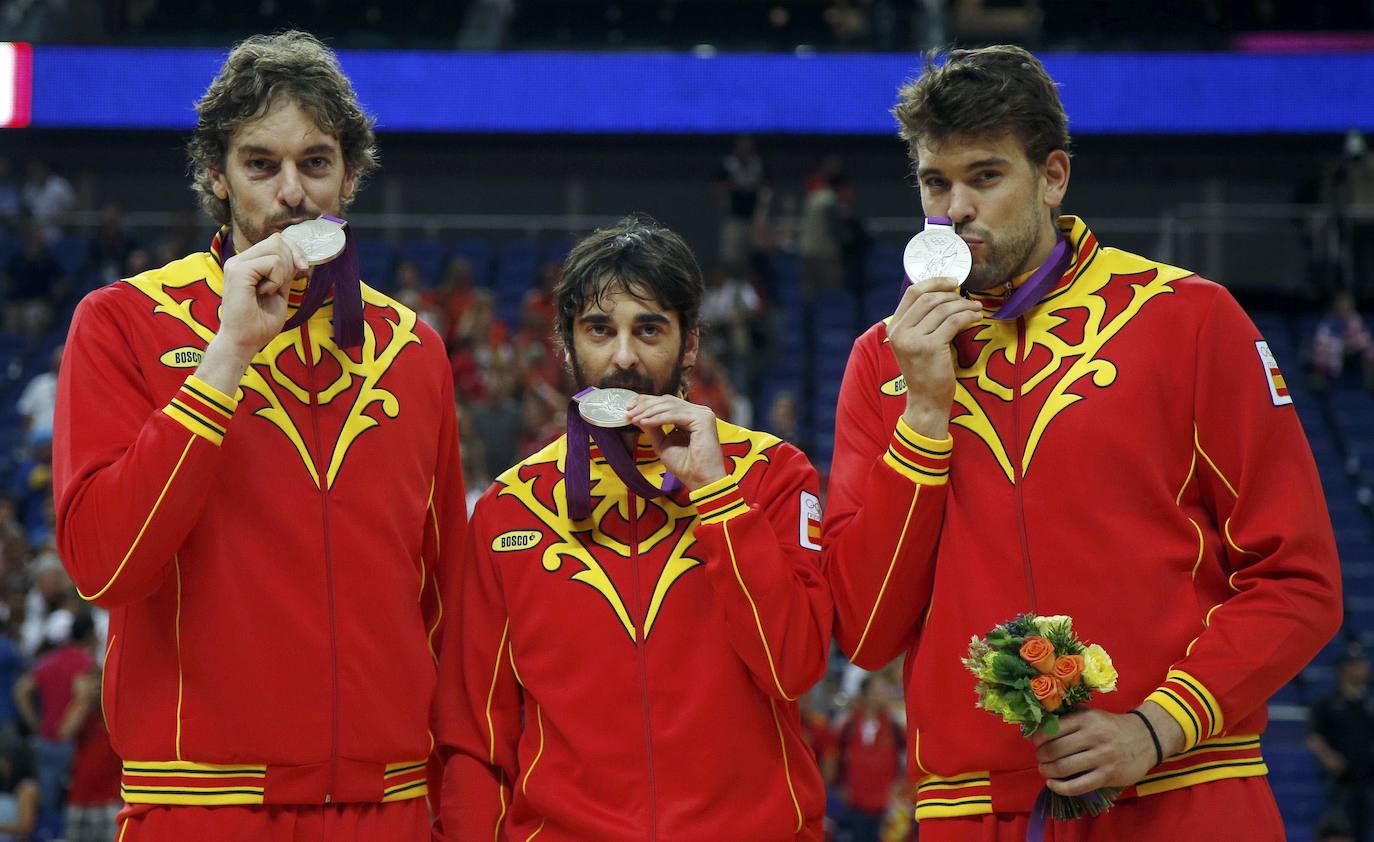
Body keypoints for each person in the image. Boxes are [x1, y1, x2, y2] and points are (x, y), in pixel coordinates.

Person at [823, 45, 1342, 840]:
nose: (954, 208)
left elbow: (1298, 578)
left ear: (1053, 176)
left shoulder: (1188, 319)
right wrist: (924, 415)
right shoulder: (882, 362)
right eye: (936, 182)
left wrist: (1158, 726)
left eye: (985, 176)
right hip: (975, 810)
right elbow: (865, 630)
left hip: (1184, 788)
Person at [52, 31, 465, 840]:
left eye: (315, 162)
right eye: (260, 164)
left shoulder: (414, 349)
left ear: (350, 174)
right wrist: (226, 355)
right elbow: (103, 566)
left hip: (393, 804)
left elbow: (447, 599)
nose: (292, 193)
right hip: (202, 805)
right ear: (216, 174)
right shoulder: (121, 323)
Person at [434, 216, 832, 840]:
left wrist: (717, 497)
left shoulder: (772, 476)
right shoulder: (509, 511)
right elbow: (473, 741)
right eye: (600, 330)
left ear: (690, 344)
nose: (623, 356)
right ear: (565, 346)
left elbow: (795, 668)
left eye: (649, 330)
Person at [13, 609, 97, 822]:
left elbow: (22, 689)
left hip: (45, 739)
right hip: (71, 741)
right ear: (89, 635)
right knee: (70, 800)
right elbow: (83, 695)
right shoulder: (84, 662)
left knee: (48, 801)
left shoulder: (51, 660)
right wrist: (68, 725)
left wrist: (35, 723)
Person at [1309, 645, 1374, 842]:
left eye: (1362, 664)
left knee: (1364, 829)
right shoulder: (1328, 703)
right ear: (1342, 670)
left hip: (1369, 777)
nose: (1361, 669)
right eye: (1354, 665)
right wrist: (1329, 757)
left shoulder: (1369, 703)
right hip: (1339, 781)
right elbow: (1314, 735)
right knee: (1338, 829)